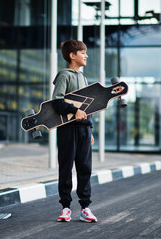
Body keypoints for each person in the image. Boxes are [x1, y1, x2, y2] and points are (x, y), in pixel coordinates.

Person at [52, 40, 97, 223]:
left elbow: (88, 107)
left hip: (84, 130)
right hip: (67, 130)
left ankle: (85, 208)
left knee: (85, 168)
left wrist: (90, 129)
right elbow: (57, 102)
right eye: (82, 52)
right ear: (72, 56)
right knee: (66, 168)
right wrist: (73, 110)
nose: (86, 55)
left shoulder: (83, 77)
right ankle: (65, 208)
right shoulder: (65, 75)